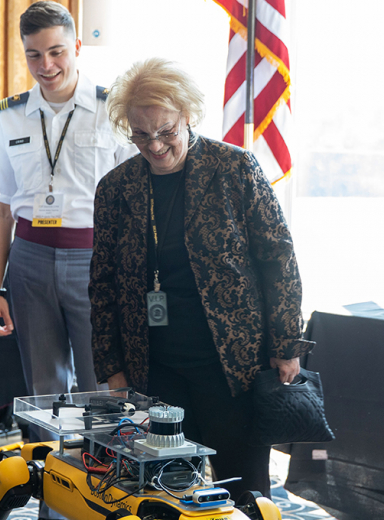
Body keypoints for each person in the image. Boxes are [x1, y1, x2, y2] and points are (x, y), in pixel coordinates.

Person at [89, 57, 314, 500]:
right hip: (153, 369)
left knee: (242, 487)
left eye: (166, 132)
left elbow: (279, 260)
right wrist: (111, 366)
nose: (153, 146)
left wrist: (287, 346)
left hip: (231, 366)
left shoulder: (235, 169)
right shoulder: (116, 188)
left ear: (187, 116)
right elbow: (103, 283)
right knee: (162, 489)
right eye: (140, 134)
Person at [0, 0, 133, 434]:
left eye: (56, 52)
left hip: (96, 260)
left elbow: (135, 207)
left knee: (103, 388)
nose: (45, 65)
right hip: (30, 259)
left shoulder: (113, 111)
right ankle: (54, 500)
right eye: (34, 54)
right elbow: (0, 208)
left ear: (78, 47)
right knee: (43, 394)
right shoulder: (9, 117)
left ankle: (103, 499)